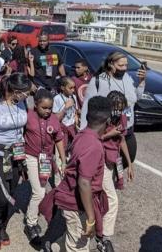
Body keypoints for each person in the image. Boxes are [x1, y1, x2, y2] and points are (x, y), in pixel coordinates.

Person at [39, 96, 112, 252]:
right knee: (79, 245)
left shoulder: (82, 135)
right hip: (75, 202)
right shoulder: (94, 145)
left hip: (75, 198)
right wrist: (91, 219)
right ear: (108, 120)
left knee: (73, 236)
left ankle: (52, 248)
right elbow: (84, 183)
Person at [0, 73, 32, 250]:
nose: (27, 95)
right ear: (15, 90)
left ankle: (2, 227)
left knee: (11, 192)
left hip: (16, 155)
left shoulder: (22, 103)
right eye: (25, 92)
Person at [80, 51, 146, 167]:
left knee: (125, 163)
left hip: (127, 129)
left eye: (126, 65)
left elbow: (135, 98)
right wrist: (84, 134)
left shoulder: (127, 78)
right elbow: (87, 107)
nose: (124, 68)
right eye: (121, 66)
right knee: (107, 167)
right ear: (111, 64)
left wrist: (141, 82)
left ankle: (114, 183)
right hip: (109, 132)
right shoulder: (99, 81)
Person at [24, 89, 66, 242]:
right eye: (44, 108)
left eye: (50, 108)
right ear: (36, 105)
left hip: (46, 159)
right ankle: (30, 223)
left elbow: (59, 139)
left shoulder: (54, 119)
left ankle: (33, 213)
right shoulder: (27, 116)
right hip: (31, 157)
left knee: (40, 187)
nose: (48, 111)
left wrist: (63, 159)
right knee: (39, 192)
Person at [98, 91, 134, 251]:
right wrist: (108, 134)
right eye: (116, 108)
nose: (118, 112)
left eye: (121, 109)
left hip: (112, 161)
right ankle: (105, 237)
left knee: (102, 197)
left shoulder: (122, 119)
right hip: (100, 161)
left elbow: (122, 139)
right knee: (112, 199)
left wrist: (130, 164)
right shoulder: (100, 118)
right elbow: (91, 138)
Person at [52, 77, 79, 147]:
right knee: (64, 148)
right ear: (62, 88)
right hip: (62, 129)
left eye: (74, 88)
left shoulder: (73, 97)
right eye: (70, 88)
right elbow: (56, 119)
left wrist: (76, 116)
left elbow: (75, 111)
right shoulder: (56, 99)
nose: (73, 90)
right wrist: (65, 107)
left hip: (72, 128)